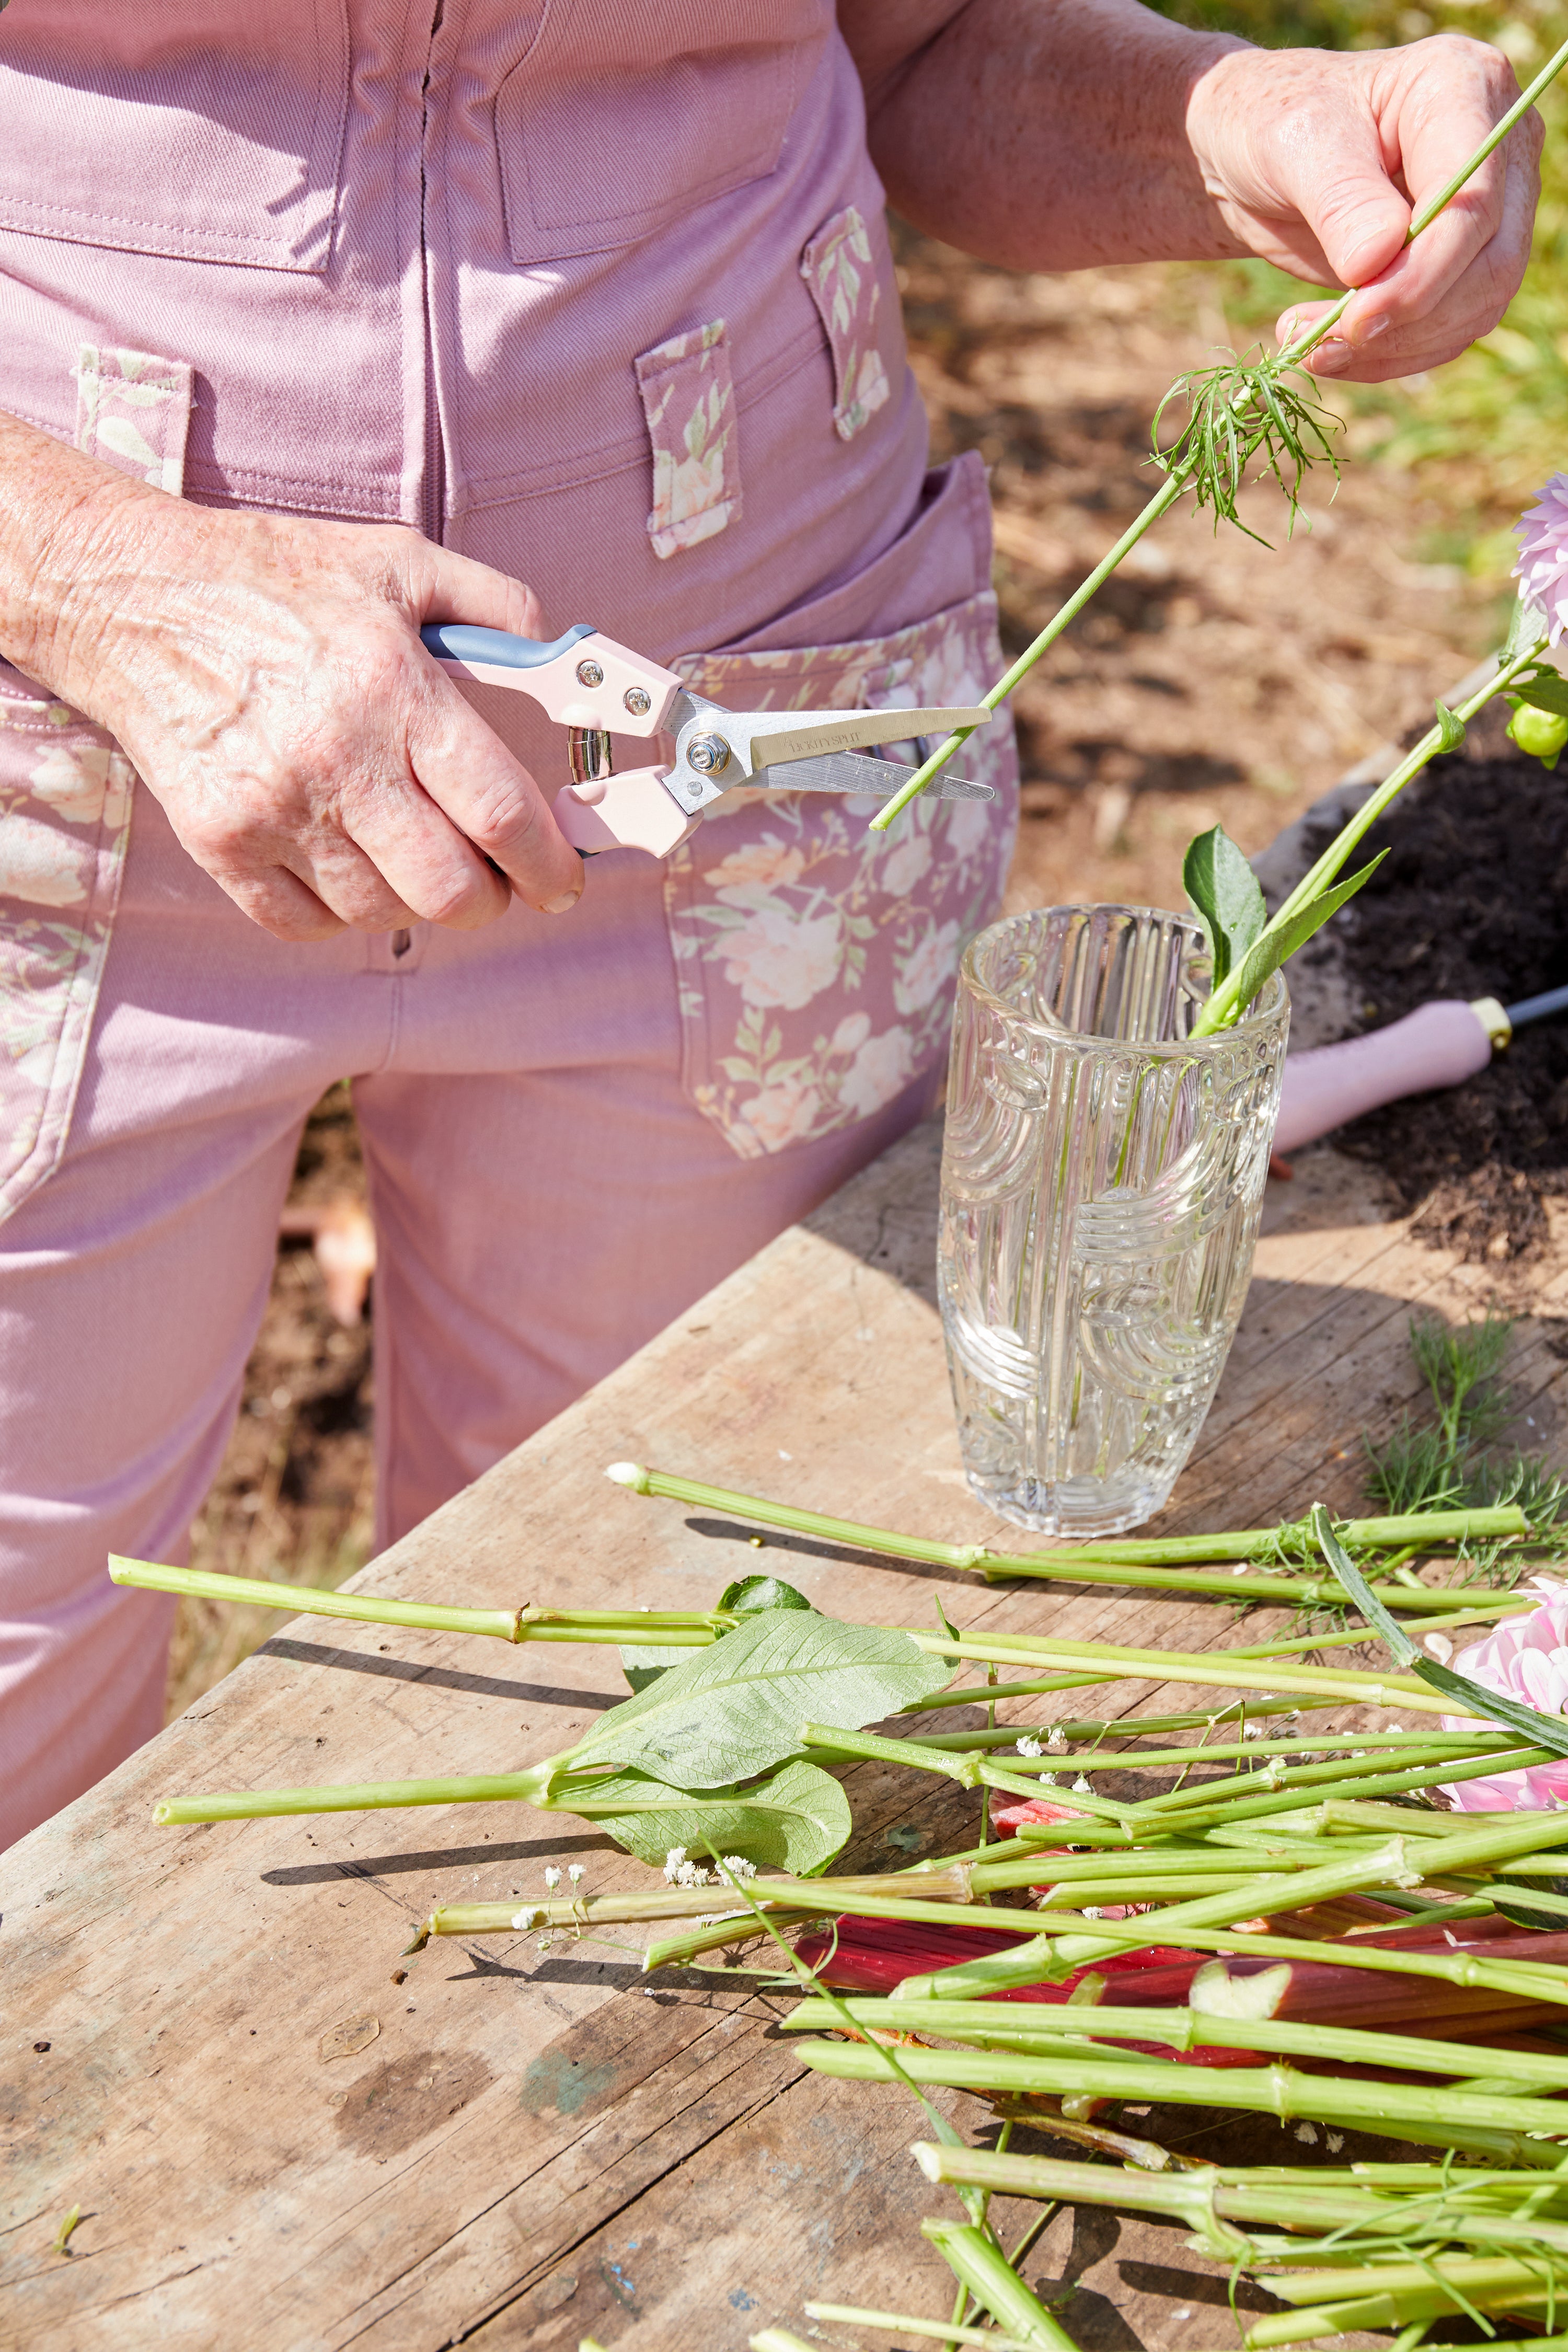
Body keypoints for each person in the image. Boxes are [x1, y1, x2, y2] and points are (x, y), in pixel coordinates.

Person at [0, 1, 1540, 1849]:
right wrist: (99, 578)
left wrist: (1246, 118)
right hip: (67, 781)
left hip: (750, 766)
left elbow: (924, 38)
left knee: (650, 1712)